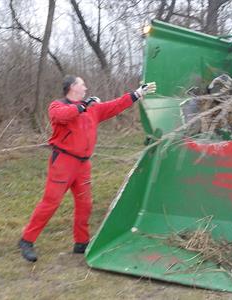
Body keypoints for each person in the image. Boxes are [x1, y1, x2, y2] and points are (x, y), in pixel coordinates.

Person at [18, 75, 156, 262]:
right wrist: (83, 106)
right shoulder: (57, 106)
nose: (86, 87)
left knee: (85, 204)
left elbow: (114, 106)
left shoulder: (92, 109)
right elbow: (63, 116)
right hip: (63, 163)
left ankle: (81, 243)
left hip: (83, 165)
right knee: (51, 202)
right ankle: (26, 240)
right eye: (82, 84)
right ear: (73, 87)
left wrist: (138, 93)